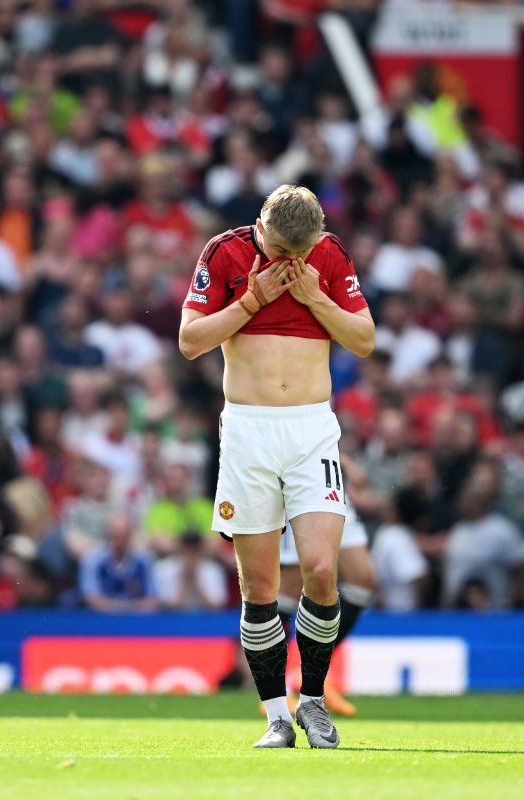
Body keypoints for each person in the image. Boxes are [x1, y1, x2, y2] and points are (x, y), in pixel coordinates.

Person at [178, 184, 374, 749]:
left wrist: (317, 299)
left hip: (312, 428)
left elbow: (364, 338)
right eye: (284, 252)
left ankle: (312, 699)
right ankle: (275, 716)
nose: (293, 264)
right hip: (248, 430)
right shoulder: (225, 252)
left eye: (302, 253)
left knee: (320, 569)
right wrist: (250, 302)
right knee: (260, 586)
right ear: (260, 229)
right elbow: (190, 340)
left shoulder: (329, 255)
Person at [278, 457, 376, 718]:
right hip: (297, 483)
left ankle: (309, 674)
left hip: (330, 483)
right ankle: (277, 692)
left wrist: (343, 460)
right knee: (288, 590)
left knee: (362, 582)